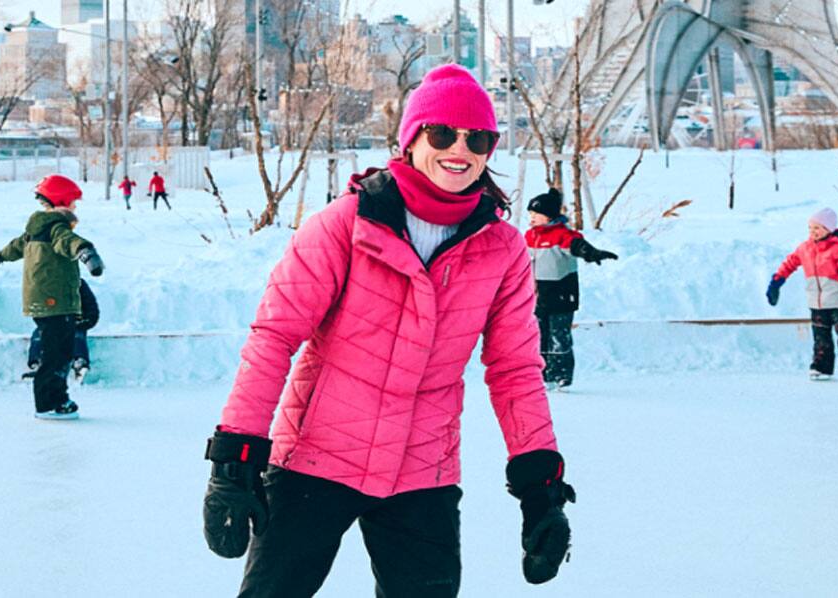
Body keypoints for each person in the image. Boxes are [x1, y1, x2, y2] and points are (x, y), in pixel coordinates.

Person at [202, 64, 575, 597]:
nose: (460, 149)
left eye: (478, 138)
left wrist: (541, 486)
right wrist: (235, 458)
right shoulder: (345, 224)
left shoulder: (503, 248)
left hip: (423, 471)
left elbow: (515, 369)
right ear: (412, 138)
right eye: (443, 134)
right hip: (315, 459)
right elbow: (274, 336)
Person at [0, 174, 105, 419]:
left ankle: (55, 399)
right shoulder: (57, 227)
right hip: (56, 301)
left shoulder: (35, 229)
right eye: (73, 202)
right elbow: (68, 241)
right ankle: (49, 404)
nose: (75, 207)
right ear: (63, 200)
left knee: (55, 352)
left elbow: (15, 247)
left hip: (43, 300)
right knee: (57, 356)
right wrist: (86, 252)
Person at [525, 188, 618, 390]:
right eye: (530, 214)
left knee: (559, 336)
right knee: (540, 337)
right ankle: (544, 375)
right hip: (538, 297)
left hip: (561, 295)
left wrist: (591, 253)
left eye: (536, 214)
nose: (531, 217)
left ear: (549, 216)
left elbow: (577, 245)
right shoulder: (530, 236)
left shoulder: (562, 235)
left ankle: (562, 375)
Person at [766, 207, 838, 380]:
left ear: (828, 229)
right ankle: (821, 367)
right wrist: (776, 282)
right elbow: (789, 263)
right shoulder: (805, 248)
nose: (812, 231)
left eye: (817, 228)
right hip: (817, 303)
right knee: (821, 338)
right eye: (810, 227)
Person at [24, 279, 99, 383]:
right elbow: (38, 307)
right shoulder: (47, 284)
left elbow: (91, 307)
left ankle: (80, 363)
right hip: (52, 322)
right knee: (38, 336)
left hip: (75, 322)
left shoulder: (78, 284)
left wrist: (86, 321)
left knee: (77, 335)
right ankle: (36, 363)